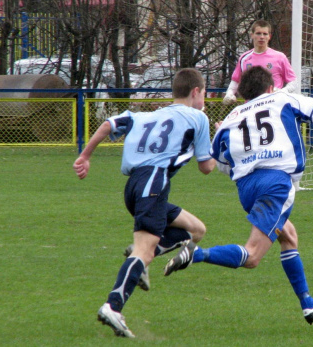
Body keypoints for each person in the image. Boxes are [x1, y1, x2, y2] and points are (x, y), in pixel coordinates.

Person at [164, 66, 313, 325]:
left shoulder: (233, 116)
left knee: (288, 235)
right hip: (276, 184)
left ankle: (308, 305)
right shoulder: (282, 98)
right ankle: (197, 254)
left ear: (245, 94)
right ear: (270, 87)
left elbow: (220, 163)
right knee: (253, 256)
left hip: (247, 190)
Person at [72, 68, 216, 338]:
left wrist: (85, 157)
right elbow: (206, 167)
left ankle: (140, 262)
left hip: (134, 187)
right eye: (204, 94)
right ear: (196, 91)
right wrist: (221, 148)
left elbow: (107, 125)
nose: (204, 100)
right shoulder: (198, 117)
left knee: (196, 230)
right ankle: (113, 305)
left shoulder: (145, 115)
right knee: (144, 250)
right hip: (154, 181)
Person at [222, 19, 297, 105]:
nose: (262, 37)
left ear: (269, 36)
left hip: (274, 106)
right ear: (252, 35)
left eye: (265, 34)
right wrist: (229, 94)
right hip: (251, 106)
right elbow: (235, 80)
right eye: (258, 33)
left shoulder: (280, 57)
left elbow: (293, 81)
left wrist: (282, 92)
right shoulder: (244, 58)